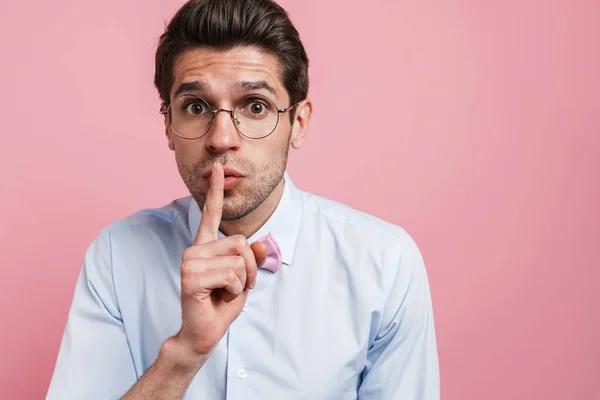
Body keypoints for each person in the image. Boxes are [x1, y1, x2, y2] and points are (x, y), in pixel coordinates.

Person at [46, 0, 440, 398]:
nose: (221, 139)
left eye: (255, 106)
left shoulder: (386, 263)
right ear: (168, 126)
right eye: (196, 107)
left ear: (297, 124)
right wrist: (183, 355)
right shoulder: (116, 256)